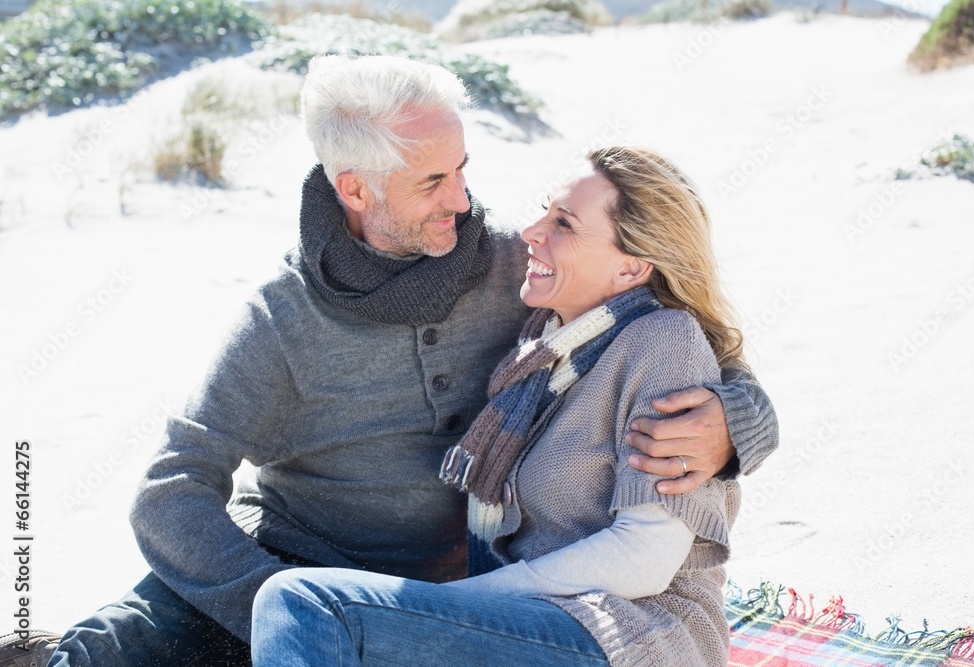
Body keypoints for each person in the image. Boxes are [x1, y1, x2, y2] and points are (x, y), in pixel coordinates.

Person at [11, 56, 776, 667]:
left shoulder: (524, 267)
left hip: (455, 595)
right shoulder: (281, 320)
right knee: (115, 651)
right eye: (433, 181)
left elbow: (679, 331)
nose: (464, 198)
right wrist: (265, 600)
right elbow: (171, 487)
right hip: (295, 566)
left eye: (463, 168)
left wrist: (734, 423)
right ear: (356, 189)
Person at [251, 145, 747, 666]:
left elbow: (647, 555)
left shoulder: (663, 342)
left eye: (565, 224)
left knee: (301, 601)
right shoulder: (546, 345)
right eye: (544, 209)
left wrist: (453, 604)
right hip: (536, 624)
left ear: (631, 269)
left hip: (631, 637)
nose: (533, 232)